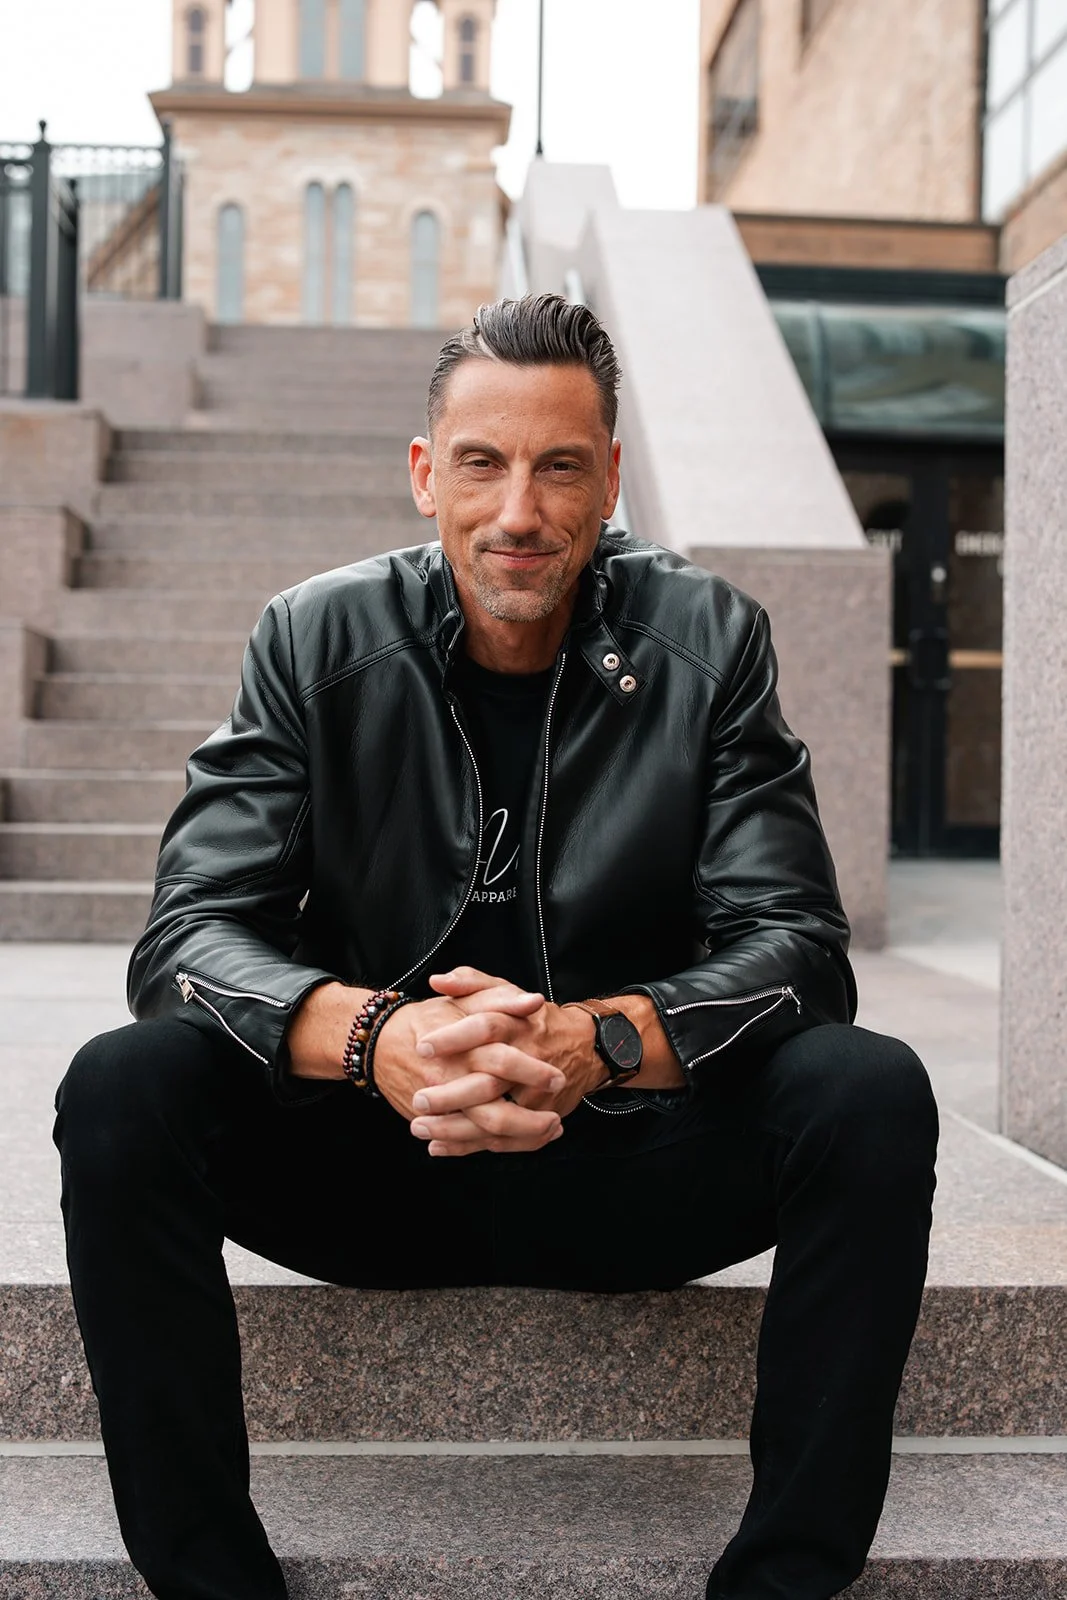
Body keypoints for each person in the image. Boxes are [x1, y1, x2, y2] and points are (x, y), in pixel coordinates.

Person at [54, 292, 938, 1600]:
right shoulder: (314, 637)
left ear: (610, 480)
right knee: (121, 1088)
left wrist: (599, 1044)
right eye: (481, 462)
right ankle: (208, 1581)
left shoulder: (709, 641)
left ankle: (784, 1583)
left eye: (557, 465)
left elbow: (797, 944)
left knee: (868, 1093)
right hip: (369, 1159)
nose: (517, 509)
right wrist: (376, 1040)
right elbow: (189, 936)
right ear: (425, 476)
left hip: (626, 1158)